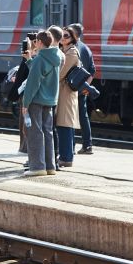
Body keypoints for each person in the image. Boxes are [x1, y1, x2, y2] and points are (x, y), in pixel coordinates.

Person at [22, 28, 62, 175]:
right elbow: (43, 72)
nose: (35, 44)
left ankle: (37, 167)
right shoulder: (55, 57)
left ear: (39, 42)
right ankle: (50, 166)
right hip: (50, 100)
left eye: (36, 41)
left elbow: (33, 83)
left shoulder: (40, 58)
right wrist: (29, 61)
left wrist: (25, 104)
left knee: (35, 133)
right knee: (48, 132)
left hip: (36, 99)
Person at [55, 29, 83, 168]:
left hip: (66, 93)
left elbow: (60, 73)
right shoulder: (63, 50)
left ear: (72, 38)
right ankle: (65, 155)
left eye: (66, 36)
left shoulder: (72, 52)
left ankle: (66, 157)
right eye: (62, 35)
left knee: (64, 124)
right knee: (63, 124)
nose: (63, 38)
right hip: (62, 91)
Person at [68, 22, 96, 155]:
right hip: (82, 87)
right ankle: (87, 145)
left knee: (70, 117)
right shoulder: (86, 48)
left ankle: (71, 146)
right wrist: (87, 86)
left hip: (71, 87)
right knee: (83, 117)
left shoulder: (71, 48)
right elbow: (92, 70)